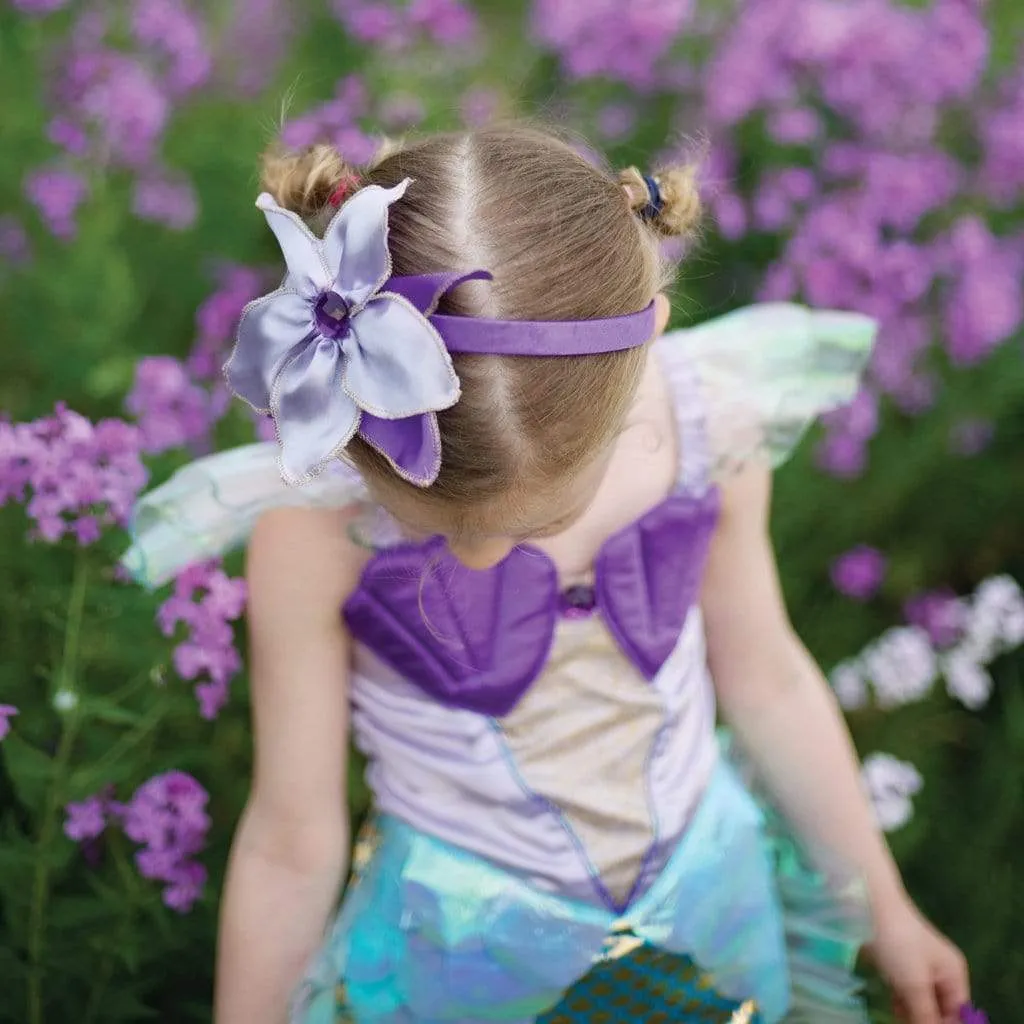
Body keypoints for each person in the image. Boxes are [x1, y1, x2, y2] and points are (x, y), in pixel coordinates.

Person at [125, 125, 970, 1024]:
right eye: (435, 526)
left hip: (709, 911)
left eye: (539, 523)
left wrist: (883, 905)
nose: (484, 557)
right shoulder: (311, 529)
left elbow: (768, 682)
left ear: (646, 348)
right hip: (460, 958)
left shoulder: (709, 429)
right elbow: (294, 837)